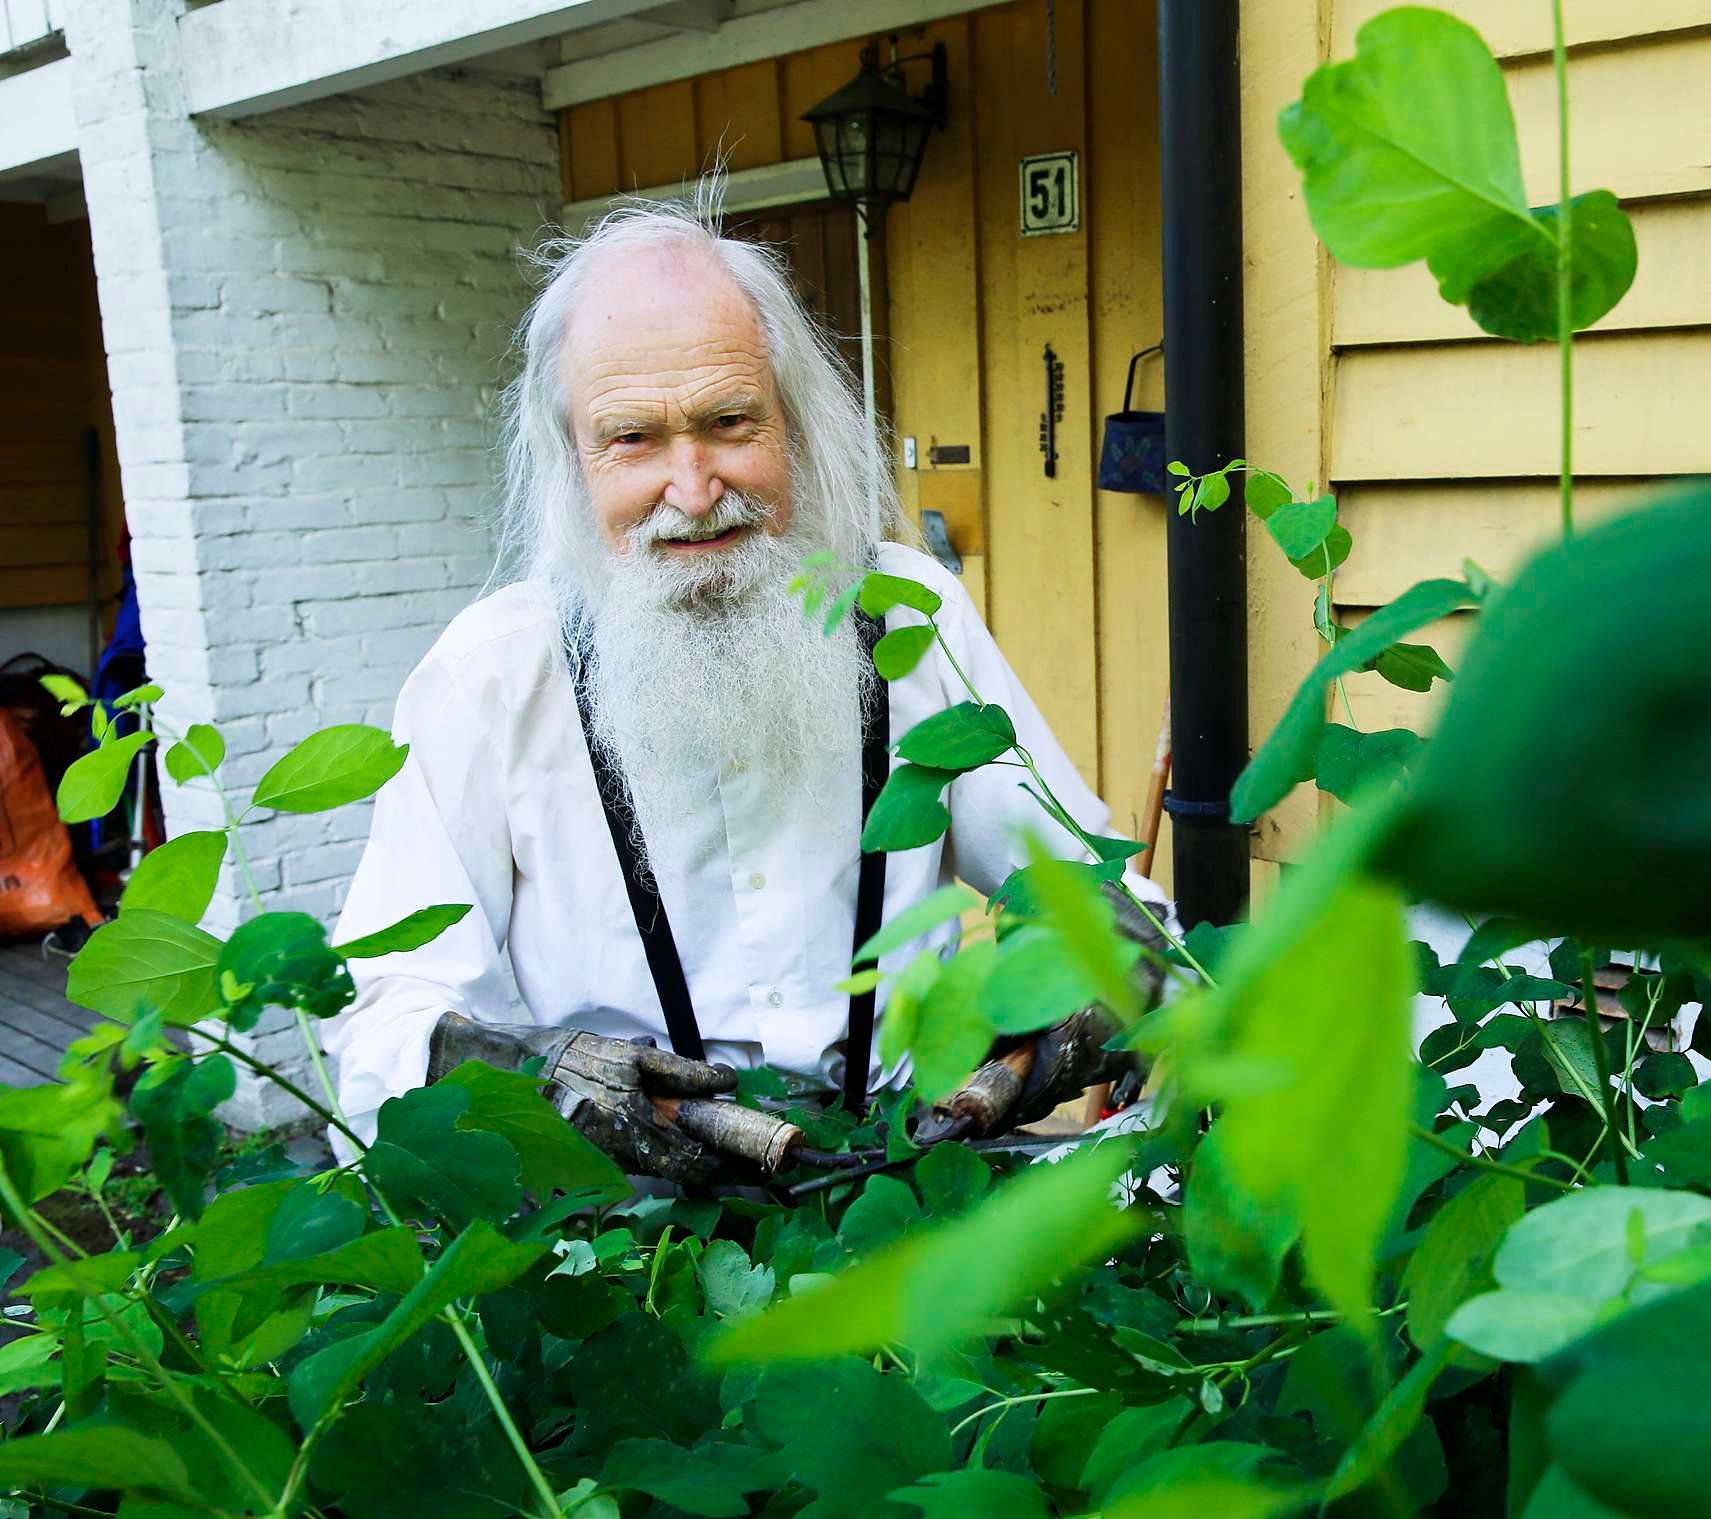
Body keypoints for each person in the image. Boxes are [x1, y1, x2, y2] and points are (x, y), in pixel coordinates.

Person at [324, 185, 1170, 1180]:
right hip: (621, 1235)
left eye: (730, 421)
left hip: (904, 1187)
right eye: (632, 437)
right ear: (572, 460)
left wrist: (1106, 973)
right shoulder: (490, 679)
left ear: (794, 425)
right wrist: (538, 1078)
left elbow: (1094, 894)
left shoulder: (907, 615)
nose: (692, 491)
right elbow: (382, 1023)